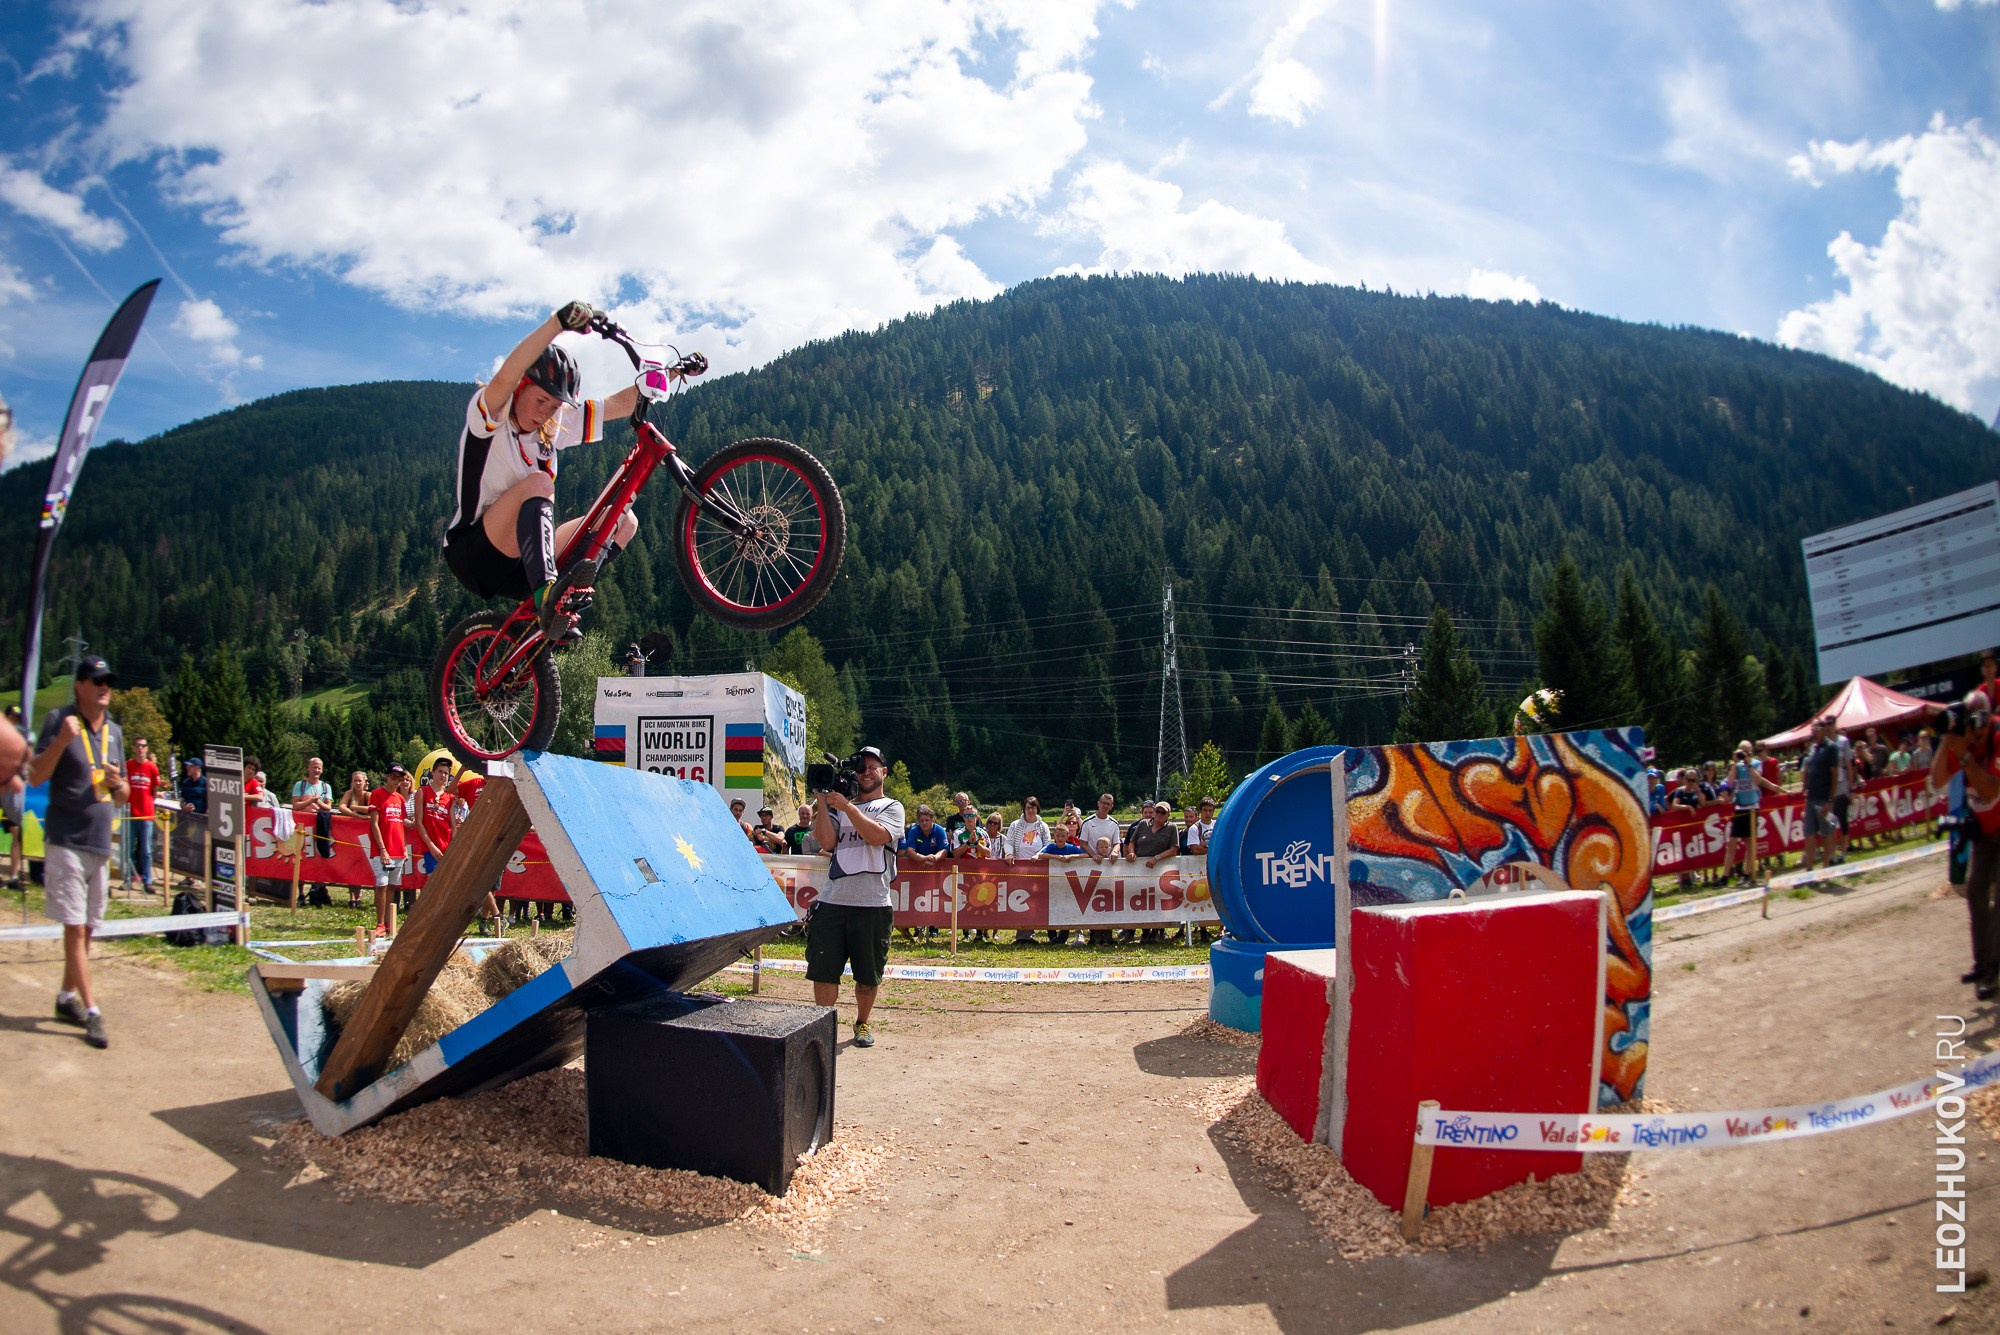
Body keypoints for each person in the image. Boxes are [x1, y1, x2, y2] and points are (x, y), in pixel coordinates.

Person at [441, 301, 643, 641]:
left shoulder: (552, 423)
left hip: (524, 564)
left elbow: (620, 404)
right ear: (520, 389)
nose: (546, 412)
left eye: (554, 406)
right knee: (538, 482)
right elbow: (508, 372)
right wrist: (557, 324)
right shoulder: (490, 419)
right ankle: (548, 594)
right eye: (540, 401)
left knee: (623, 521)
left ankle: (555, 602)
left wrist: (671, 374)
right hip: (476, 554)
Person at [29, 657, 127, 1049]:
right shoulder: (59, 720)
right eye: (97, 680)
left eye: (108, 681)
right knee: (74, 926)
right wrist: (61, 742)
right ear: (80, 686)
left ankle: (65, 998)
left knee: (87, 927)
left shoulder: (116, 732)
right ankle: (91, 1011)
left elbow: (123, 796)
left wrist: (120, 784)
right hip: (66, 838)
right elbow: (35, 775)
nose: (105, 686)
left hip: (99, 842)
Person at [807, 745, 902, 1048]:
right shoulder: (840, 806)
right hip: (834, 900)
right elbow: (826, 841)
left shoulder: (892, 806)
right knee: (824, 971)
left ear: (884, 772)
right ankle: (823, 1025)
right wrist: (823, 801)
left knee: (868, 974)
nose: (865, 772)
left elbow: (876, 837)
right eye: (861, 768)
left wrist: (848, 808)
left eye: (872, 767)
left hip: (872, 903)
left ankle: (862, 1022)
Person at [1930, 692, 1999, 1000]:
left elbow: (1988, 790)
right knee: (1975, 891)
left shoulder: (1997, 737)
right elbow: (1937, 779)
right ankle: (1982, 963)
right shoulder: (1964, 741)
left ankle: (1992, 971)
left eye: (1977, 720)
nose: (1975, 730)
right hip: (1986, 832)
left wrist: (1967, 757)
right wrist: (1948, 738)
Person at [1721, 742, 1782, 885]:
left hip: (1753, 806)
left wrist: (1748, 765)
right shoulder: (1736, 766)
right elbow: (1729, 784)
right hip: (1739, 807)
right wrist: (1735, 766)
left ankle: (1748, 873)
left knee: (1750, 842)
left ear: (1750, 752)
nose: (1743, 753)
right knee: (1732, 841)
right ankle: (1725, 875)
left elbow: (1758, 780)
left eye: (1746, 751)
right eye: (1741, 751)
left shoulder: (1756, 763)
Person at [367, 763, 414, 936]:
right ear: (387, 776)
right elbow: (374, 824)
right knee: (381, 885)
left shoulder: (400, 799)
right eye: (394, 776)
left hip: (398, 850)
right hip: (382, 850)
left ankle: (389, 923)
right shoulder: (377, 794)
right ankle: (380, 923)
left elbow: (402, 823)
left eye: (400, 777)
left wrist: (404, 848)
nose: (397, 781)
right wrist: (382, 849)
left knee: (393, 887)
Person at [1003, 797, 1051, 944]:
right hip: (1019, 868)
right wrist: (1009, 853)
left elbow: (1047, 844)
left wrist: (1039, 855)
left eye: (1034, 807)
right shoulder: (1015, 825)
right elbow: (1009, 841)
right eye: (1028, 807)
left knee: (1036, 901)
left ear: (1038, 809)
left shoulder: (1043, 826)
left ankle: (1030, 932)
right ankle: (1022, 935)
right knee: (1021, 900)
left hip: (1038, 868)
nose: (1031, 810)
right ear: (1023, 809)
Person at [290, 755, 335, 903]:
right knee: (301, 859)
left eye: (319, 768)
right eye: (314, 767)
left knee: (319, 858)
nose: (316, 770)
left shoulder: (325, 787)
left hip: (320, 826)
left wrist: (318, 803)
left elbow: (328, 807)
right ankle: (301, 893)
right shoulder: (300, 785)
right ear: (308, 768)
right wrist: (310, 801)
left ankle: (317, 890)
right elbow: (295, 805)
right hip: (301, 827)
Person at [1801, 721, 1842, 872]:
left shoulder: (1831, 748)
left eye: (1816, 729)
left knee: (1826, 833)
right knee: (1809, 833)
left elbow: (1835, 774)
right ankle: (1809, 870)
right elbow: (1809, 770)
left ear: (1824, 730)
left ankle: (1826, 867)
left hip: (1824, 798)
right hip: (1811, 798)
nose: (1814, 732)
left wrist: (1830, 801)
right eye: (1812, 729)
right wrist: (1805, 787)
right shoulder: (1813, 748)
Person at [122, 735, 160, 895]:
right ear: (133, 748)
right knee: (128, 849)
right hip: (130, 814)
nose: (140, 748)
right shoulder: (128, 765)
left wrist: (150, 803)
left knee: (146, 850)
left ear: (147, 748)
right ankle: (127, 880)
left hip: (146, 815)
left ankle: (147, 881)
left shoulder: (152, 768)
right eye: (137, 745)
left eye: (143, 746)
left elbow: (155, 791)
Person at [417, 758, 455, 877]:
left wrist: (454, 849)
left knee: (447, 885)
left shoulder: (450, 797)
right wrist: (431, 846)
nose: (443, 775)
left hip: (447, 847)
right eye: (440, 771)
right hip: (430, 847)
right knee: (434, 884)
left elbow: (453, 826)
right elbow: (419, 822)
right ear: (433, 772)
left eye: (446, 773)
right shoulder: (423, 791)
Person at [1079, 793, 1122, 864]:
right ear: (1098, 803)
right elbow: (1083, 844)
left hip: (1110, 863)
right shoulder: (1087, 822)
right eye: (1103, 803)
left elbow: (1117, 843)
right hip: (1092, 862)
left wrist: (1114, 852)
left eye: (1108, 804)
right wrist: (1094, 856)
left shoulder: (1114, 823)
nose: (1105, 806)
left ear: (1111, 807)